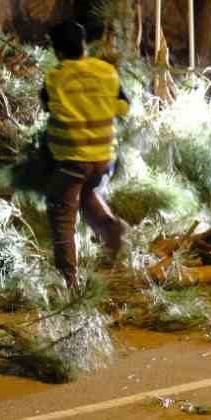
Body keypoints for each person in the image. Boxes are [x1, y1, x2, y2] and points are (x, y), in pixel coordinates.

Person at [41, 19, 131, 291]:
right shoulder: (106, 71)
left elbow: (47, 105)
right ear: (84, 45)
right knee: (87, 193)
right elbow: (124, 107)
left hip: (72, 160)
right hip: (104, 159)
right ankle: (110, 227)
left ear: (57, 51)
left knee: (61, 213)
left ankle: (68, 282)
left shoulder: (56, 76)